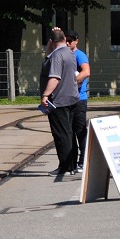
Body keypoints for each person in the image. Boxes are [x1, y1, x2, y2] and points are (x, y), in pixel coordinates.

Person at [39, 27, 80, 178]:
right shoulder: (69, 53)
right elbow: (48, 55)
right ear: (64, 39)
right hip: (72, 98)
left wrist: (45, 95)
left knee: (61, 135)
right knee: (69, 133)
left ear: (51, 41)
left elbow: (54, 78)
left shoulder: (57, 56)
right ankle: (72, 165)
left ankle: (64, 167)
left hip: (59, 101)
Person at [65, 30, 91, 170]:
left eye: (71, 40)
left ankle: (83, 160)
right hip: (68, 99)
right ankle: (73, 162)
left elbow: (86, 72)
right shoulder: (64, 54)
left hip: (79, 99)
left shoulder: (79, 55)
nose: (68, 42)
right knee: (69, 131)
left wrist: (71, 82)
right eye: (66, 40)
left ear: (76, 41)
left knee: (80, 131)